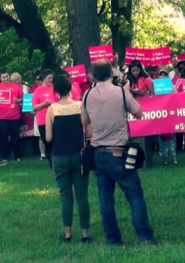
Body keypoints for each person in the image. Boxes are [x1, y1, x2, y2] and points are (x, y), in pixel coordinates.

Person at [81, 59, 157, 246]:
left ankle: (113, 239)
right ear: (112, 73)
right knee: (134, 194)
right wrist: (126, 93)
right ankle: (144, 237)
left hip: (97, 152)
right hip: (118, 151)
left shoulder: (87, 94)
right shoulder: (120, 92)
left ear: (93, 75)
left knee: (105, 198)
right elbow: (138, 112)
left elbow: (84, 122)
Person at [45, 74, 91, 243]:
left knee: (65, 195)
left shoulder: (52, 109)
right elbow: (90, 132)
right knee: (82, 195)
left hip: (59, 156)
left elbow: (48, 137)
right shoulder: (80, 106)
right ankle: (85, 233)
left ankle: (67, 233)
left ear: (55, 90)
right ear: (71, 87)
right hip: (79, 155)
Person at [0, 70, 23, 163]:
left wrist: (18, 100)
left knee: (15, 137)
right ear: (0, 79)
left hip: (15, 116)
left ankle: (17, 156)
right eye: (3, 77)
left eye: (7, 76)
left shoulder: (16, 87)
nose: (6, 78)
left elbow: (23, 98)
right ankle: (5, 157)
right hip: (1, 117)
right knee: (3, 137)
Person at [127, 61, 156, 167]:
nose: (135, 72)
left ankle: (147, 161)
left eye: (137, 70)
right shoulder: (128, 80)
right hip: (132, 110)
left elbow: (153, 95)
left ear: (141, 70)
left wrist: (142, 93)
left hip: (145, 110)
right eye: (133, 70)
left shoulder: (147, 80)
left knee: (145, 136)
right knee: (134, 136)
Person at [33, 69, 57, 167]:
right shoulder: (38, 91)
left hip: (56, 119)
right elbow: (34, 107)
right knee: (47, 141)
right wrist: (44, 104)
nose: (51, 80)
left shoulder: (55, 88)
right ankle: (51, 162)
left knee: (56, 141)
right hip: (43, 120)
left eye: (52, 78)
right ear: (44, 79)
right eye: (49, 78)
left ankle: (56, 162)